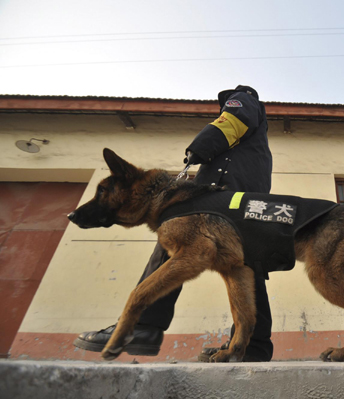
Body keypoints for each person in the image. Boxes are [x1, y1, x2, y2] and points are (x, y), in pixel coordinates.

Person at [74, 85, 275, 362]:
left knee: (173, 239)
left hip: (223, 190)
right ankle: (254, 346)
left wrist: (198, 149)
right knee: (248, 264)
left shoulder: (242, 100)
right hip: (246, 196)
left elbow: (231, 120)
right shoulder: (259, 139)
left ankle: (143, 326)